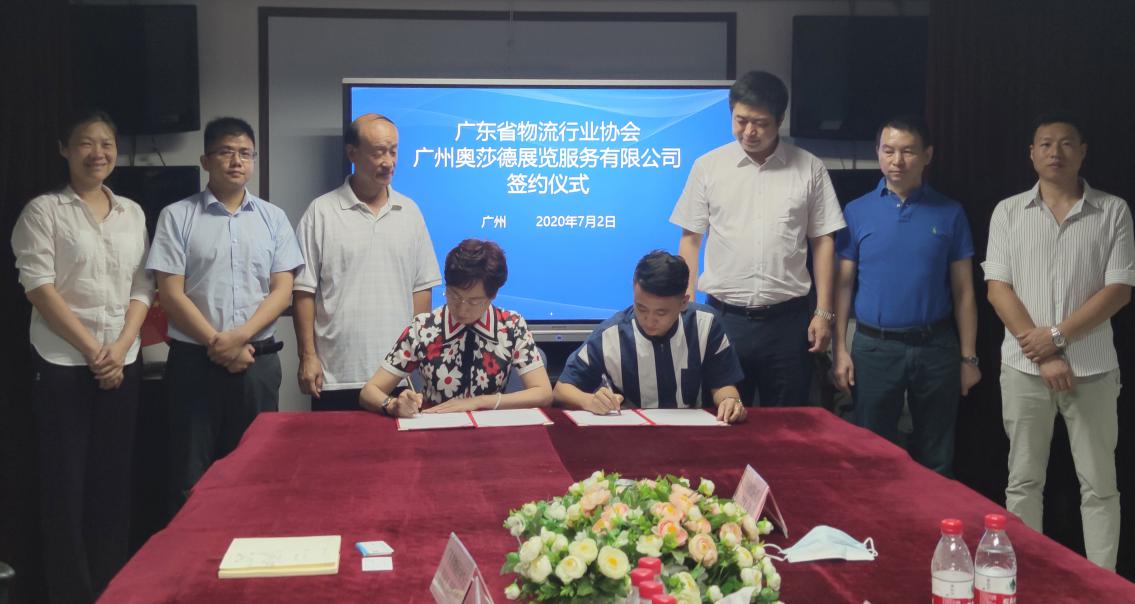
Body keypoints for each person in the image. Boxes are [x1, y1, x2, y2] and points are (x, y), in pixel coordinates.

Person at [11, 110, 154, 603]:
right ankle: (72, 594)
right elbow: (39, 287)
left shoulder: (132, 212)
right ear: (64, 150)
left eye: (107, 143)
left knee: (113, 486)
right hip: (64, 366)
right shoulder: (43, 212)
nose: (99, 153)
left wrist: (121, 346)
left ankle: (113, 589)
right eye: (86, 143)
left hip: (123, 361)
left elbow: (143, 285)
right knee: (65, 489)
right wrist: (95, 351)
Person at [984, 115, 1133, 571]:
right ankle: (1024, 579)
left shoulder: (1113, 210)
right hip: (1024, 370)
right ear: (1031, 154)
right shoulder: (1008, 211)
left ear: (1082, 152)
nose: (1055, 152)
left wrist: (1055, 338)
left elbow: (1119, 290)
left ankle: (1104, 585)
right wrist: (1044, 354)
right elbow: (998, 289)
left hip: (1093, 369)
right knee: (1023, 482)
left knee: (1100, 486)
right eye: (1046, 144)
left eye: (1066, 143)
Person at [146, 117, 303, 512]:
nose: (237, 161)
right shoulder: (176, 216)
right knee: (190, 475)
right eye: (226, 152)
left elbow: (282, 290)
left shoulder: (273, 218)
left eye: (245, 154)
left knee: (258, 470)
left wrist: (239, 338)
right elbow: (170, 293)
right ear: (205, 160)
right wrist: (217, 343)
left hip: (257, 362)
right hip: (194, 362)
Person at [670, 70, 845, 407]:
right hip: (724, 320)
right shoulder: (708, 167)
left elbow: (823, 242)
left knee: (788, 423)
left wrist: (824, 313)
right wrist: (687, 309)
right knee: (723, 419)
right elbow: (690, 239)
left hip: (789, 323)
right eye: (741, 120)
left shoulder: (809, 168)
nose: (749, 131)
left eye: (760, 123)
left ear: (779, 120)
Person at [831, 116, 980, 476]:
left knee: (936, 456)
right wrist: (839, 350)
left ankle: (933, 514)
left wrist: (969, 358)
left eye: (908, 151)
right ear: (878, 153)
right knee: (871, 453)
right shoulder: (856, 211)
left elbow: (964, 291)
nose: (897, 160)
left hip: (936, 348)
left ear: (927, 155)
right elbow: (843, 285)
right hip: (874, 347)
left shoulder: (950, 212)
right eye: (889, 151)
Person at [293, 113, 441, 411]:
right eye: (378, 153)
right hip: (336, 375)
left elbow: (421, 289)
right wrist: (307, 356)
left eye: (393, 151)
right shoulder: (321, 212)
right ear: (352, 153)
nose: (388, 162)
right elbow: (303, 292)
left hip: (396, 373)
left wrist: (417, 355)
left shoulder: (410, 212)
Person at [360, 239, 551, 416]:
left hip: (490, 429)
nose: (461, 309)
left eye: (474, 301)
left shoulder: (511, 326)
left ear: (492, 296)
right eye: (453, 295)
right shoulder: (424, 327)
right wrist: (392, 404)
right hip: (434, 426)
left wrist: (480, 402)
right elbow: (369, 391)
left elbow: (543, 393)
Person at [554, 250, 747, 424]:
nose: (649, 320)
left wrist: (730, 401)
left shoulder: (706, 324)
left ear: (683, 302)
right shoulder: (610, 335)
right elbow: (561, 389)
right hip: (632, 435)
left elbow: (723, 384)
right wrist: (589, 400)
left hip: (692, 432)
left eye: (661, 313)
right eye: (641, 308)